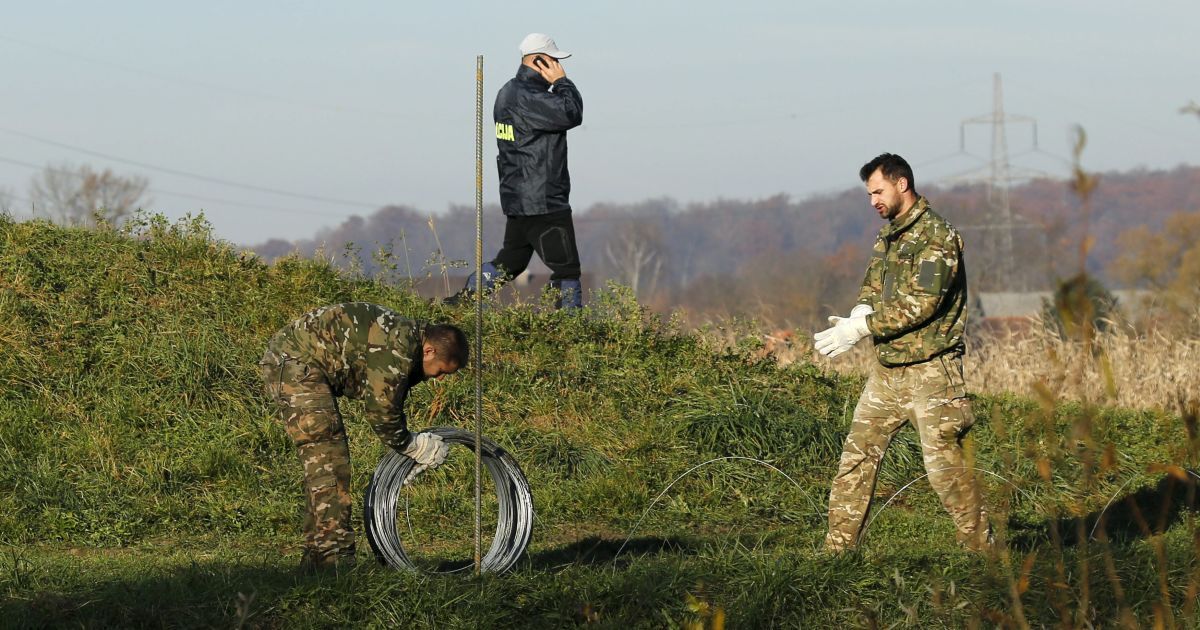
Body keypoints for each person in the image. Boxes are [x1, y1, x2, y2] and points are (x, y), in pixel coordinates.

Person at [816, 153, 991, 552]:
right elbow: (873, 286)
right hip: (888, 372)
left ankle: (982, 551)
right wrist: (859, 311)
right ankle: (837, 553)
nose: (873, 200)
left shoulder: (937, 236)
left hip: (932, 372)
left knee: (943, 469)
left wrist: (862, 328)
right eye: (868, 194)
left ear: (901, 184)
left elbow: (923, 303)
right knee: (855, 461)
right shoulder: (890, 235)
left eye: (877, 191)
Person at [259, 302, 468, 571]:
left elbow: (390, 397)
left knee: (323, 466)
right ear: (429, 351)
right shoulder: (400, 345)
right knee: (329, 463)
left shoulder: (408, 340)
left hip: (295, 362)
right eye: (440, 371)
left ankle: (316, 560)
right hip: (296, 365)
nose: (439, 379)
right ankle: (333, 563)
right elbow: (381, 409)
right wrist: (411, 446)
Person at [446, 32, 585, 309]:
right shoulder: (531, 97)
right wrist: (562, 82)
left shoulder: (507, 92)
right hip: (544, 201)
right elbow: (572, 113)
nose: (559, 66)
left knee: (510, 263)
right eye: (554, 60)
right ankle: (572, 334)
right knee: (567, 272)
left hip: (518, 197)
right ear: (539, 61)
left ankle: (461, 304)